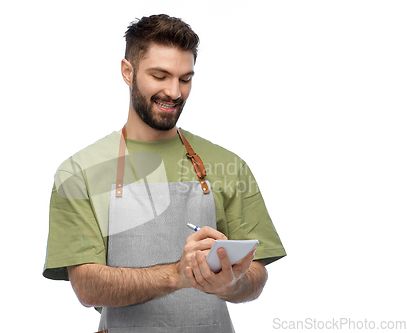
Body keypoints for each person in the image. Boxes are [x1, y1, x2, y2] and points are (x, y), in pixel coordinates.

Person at [43, 14, 286, 333]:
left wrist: (230, 283)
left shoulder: (228, 165)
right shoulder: (80, 172)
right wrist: (179, 275)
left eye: (185, 79)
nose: (174, 92)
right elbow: (87, 286)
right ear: (127, 72)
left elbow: (256, 274)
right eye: (160, 76)